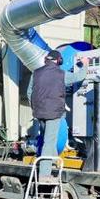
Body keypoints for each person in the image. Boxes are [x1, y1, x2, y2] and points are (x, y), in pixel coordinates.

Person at [28, 49, 87, 182]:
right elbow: (78, 77)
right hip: (53, 113)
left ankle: (52, 162)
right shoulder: (61, 74)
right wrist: (85, 64)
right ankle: (44, 175)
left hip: (39, 112)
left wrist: (35, 107)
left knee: (46, 139)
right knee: (49, 142)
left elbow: (29, 92)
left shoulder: (35, 73)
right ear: (58, 61)